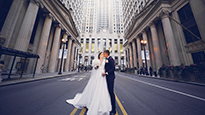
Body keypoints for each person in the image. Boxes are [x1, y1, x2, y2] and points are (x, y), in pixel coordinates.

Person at [102, 50, 116, 115]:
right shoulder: (106, 59)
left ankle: (114, 109)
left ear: (106, 54)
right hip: (106, 78)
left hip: (110, 77)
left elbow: (113, 68)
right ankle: (108, 106)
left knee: (111, 92)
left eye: (104, 54)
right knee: (107, 92)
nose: (103, 55)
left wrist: (107, 73)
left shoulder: (111, 59)